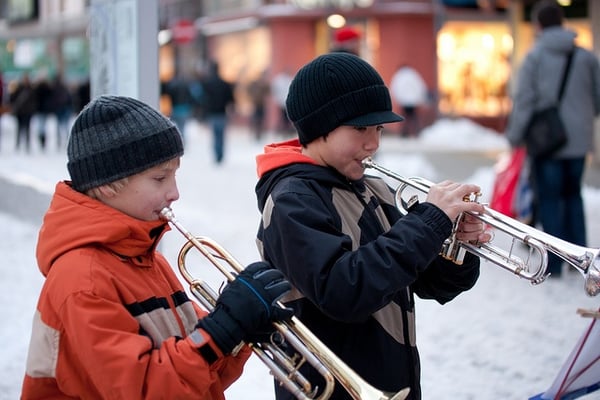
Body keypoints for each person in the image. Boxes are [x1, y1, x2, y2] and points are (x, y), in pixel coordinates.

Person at [20, 95, 293, 399]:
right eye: (160, 178)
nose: (174, 192)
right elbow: (145, 389)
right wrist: (222, 331)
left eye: (174, 175)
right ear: (108, 184)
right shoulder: (82, 280)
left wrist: (240, 331)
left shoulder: (147, 259)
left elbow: (197, 376)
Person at [253, 52, 491, 400]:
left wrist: (454, 246)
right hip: (330, 389)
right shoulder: (292, 200)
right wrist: (429, 222)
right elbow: (344, 290)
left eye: (378, 128)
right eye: (360, 129)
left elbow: (430, 283)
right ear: (321, 127)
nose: (374, 144)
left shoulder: (372, 188)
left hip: (391, 379)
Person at [505, 0, 600, 277]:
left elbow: (524, 101)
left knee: (549, 199)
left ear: (538, 24)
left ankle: (555, 262)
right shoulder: (586, 57)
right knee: (573, 196)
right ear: (562, 21)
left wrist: (515, 136)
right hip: (579, 142)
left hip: (547, 142)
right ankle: (580, 258)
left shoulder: (534, 58)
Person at [201, 60, 235, 164]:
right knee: (221, 135)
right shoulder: (225, 84)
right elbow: (231, 99)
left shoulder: (207, 84)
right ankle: (220, 154)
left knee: (215, 134)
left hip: (212, 112)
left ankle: (217, 154)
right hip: (222, 112)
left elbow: (203, 99)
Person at [389, 63, 428, 137]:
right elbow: (420, 86)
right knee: (413, 116)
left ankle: (404, 132)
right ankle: (417, 131)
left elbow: (395, 87)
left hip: (404, 101)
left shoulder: (399, 75)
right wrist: (421, 98)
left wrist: (395, 98)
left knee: (405, 116)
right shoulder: (413, 74)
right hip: (413, 100)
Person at [9, 73, 37, 153]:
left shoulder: (31, 89)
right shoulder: (18, 88)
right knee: (19, 129)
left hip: (28, 112)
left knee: (27, 128)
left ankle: (27, 145)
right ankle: (18, 144)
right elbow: (12, 98)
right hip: (20, 112)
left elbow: (34, 100)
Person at [247, 69, 271, 141]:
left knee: (261, 120)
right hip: (255, 104)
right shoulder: (254, 83)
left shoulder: (264, 84)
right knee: (255, 120)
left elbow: (268, 92)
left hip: (262, 104)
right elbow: (249, 90)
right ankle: (255, 133)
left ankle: (259, 134)